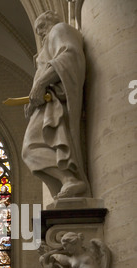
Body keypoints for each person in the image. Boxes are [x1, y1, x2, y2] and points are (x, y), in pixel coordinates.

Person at [22, 10, 90, 199]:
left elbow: (69, 55)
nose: (41, 33)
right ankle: (68, 179)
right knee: (30, 150)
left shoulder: (59, 29)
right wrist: (33, 101)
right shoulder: (46, 45)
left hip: (56, 103)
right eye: (38, 30)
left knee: (31, 148)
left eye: (42, 27)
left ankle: (71, 178)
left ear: (53, 20)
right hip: (47, 104)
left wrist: (41, 83)